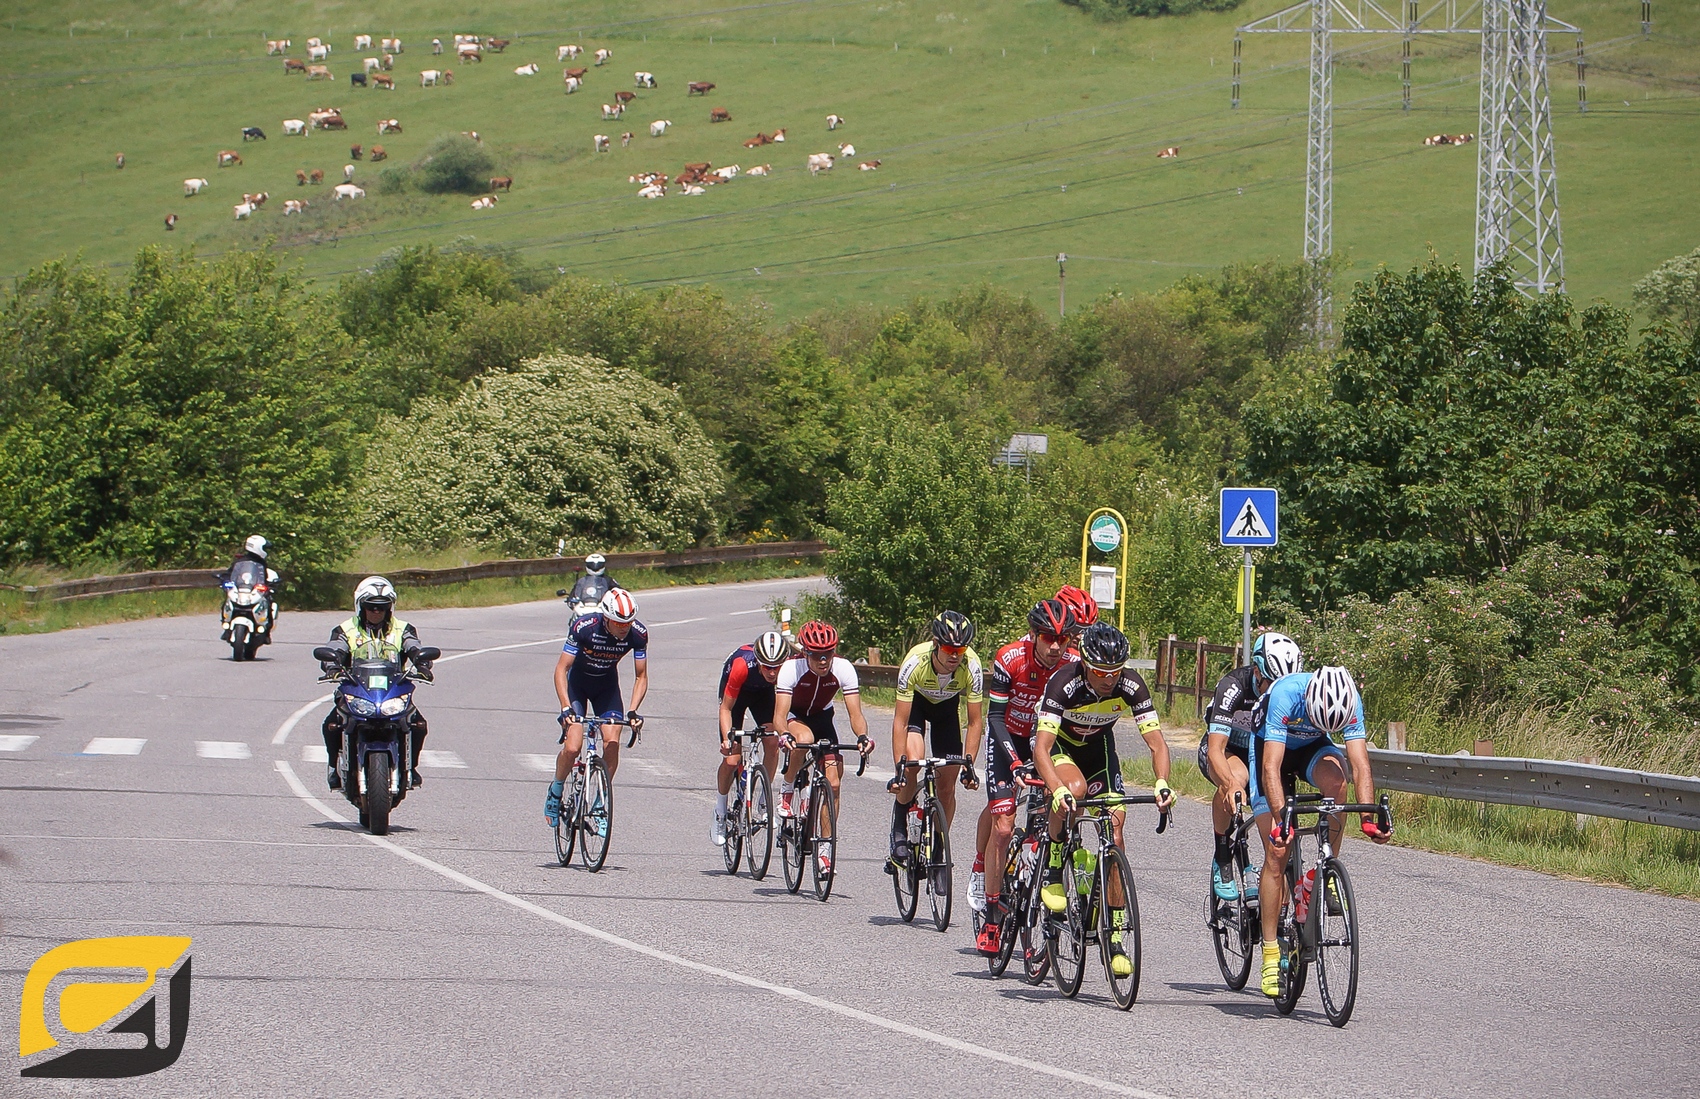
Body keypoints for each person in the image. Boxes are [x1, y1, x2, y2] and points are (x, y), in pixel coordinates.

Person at [1034, 622, 1174, 979]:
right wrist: (1056, 788)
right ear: (1084, 664)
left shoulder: (1131, 685)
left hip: (1100, 751)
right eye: (1100, 672)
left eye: (1115, 671)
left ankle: (1115, 937)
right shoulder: (1063, 683)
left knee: (1115, 833)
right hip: (1062, 748)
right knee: (1074, 790)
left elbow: (1157, 743)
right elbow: (1041, 749)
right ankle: (1054, 865)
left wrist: (1161, 781)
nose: (1109, 679)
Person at [1256, 665, 1391, 998]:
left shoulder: (1350, 700)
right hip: (1270, 749)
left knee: (1337, 782)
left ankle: (1321, 872)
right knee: (1277, 850)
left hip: (1313, 748)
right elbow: (1270, 767)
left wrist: (1368, 817)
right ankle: (1270, 952)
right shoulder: (1286, 694)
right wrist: (1282, 820)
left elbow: (1360, 764)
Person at [972, 598, 1078, 957]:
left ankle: (1042, 896)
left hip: (1045, 741)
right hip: (1009, 738)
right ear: (1033, 634)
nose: (1055, 646)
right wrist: (1015, 762)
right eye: (1048, 637)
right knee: (1003, 827)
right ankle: (991, 915)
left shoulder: (1074, 664)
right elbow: (995, 717)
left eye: (1063, 639)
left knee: (1055, 814)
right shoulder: (1010, 658)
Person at [1201, 632, 1305, 902]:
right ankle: (1222, 854)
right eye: (1271, 682)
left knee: (1277, 840)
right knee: (1236, 777)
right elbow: (1215, 750)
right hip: (1229, 750)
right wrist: (1230, 785)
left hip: (1264, 753)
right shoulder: (1233, 686)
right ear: (1257, 672)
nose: (1277, 692)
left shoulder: (1294, 691)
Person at [886, 611, 984, 873]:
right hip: (917, 707)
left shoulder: (971, 665)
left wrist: (969, 765)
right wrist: (899, 768)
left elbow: (975, 722)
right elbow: (900, 722)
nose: (955, 656)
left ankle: (939, 847)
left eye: (960, 650)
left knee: (947, 786)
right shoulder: (915, 662)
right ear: (936, 644)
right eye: (949, 649)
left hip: (946, 712)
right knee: (913, 761)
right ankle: (899, 823)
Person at [774, 620, 873, 877]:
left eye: (828, 654)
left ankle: (825, 851)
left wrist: (863, 736)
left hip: (823, 718)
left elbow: (855, 714)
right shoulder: (790, 668)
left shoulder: (843, 668)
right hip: (795, 716)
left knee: (834, 782)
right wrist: (784, 734)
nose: (823, 660)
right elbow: (779, 715)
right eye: (817, 655)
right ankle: (788, 786)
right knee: (804, 738)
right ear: (805, 652)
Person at [544, 587, 649, 829]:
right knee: (573, 747)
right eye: (619, 623)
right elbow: (561, 669)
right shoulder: (585, 627)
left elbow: (641, 676)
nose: (625, 628)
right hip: (577, 686)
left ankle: (601, 802)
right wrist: (565, 707)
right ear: (606, 618)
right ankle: (556, 789)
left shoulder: (638, 633)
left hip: (606, 687)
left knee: (612, 743)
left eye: (628, 622)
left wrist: (633, 711)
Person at [319, 576, 433, 790]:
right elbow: (334, 649)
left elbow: (415, 648)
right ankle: (334, 767)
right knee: (331, 725)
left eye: (382, 608)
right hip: (356, 688)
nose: (376, 612)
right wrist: (331, 666)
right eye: (371, 607)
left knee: (419, 725)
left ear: (390, 608)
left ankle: (411, 767)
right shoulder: (345, 630)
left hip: (393, 689)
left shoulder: (403, 629)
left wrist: (423, 664)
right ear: (360, 606)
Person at [713, 630, 790, 845]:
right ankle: (720, 811)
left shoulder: (787, 668)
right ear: (758, 661)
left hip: (763, 696)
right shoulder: (741, 666)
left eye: (777, 667)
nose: (772, 673)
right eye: (767, 667)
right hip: (737, 695)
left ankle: (764, 802)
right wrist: (727, 739)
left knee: (773, 743)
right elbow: (726, 709)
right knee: (732, 760)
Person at [222, 535, 281, 635]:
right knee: (227, 602)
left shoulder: (261, 563)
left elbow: (263, 578)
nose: (265, 550)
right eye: (264, 548)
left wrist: (270, 585)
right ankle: (226, 623)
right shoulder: (240, 561)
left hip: (254, 590)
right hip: (241, 590)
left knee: (269, 602)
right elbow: (230, 573)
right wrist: (225, 580)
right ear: (258, 547)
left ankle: (266, 630)